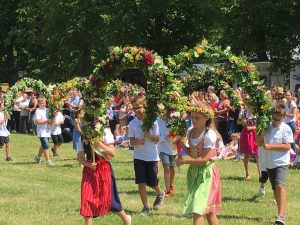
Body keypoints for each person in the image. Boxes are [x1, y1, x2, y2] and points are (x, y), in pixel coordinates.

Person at [176, 102, 221, 225]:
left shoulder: (209, 135)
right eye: (192, 117)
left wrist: (185, 161)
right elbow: (192, 152)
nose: (194, 120)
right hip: (195, 172)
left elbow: (204, 159)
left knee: (197, 209)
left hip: (207, 174)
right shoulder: (190, 131)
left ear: (206, 118)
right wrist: (180, 144)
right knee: (208, 211)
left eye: (197, 118)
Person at [77, 127, 131, 225]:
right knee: (86, 200)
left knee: (111, 201)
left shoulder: (105, 132)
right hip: (89, 172)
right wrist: (88, 164)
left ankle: (126, 220)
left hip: (104, 170)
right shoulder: (82, 136)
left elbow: (112, 153)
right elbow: (80, 157)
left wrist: (98, 144)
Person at [128, 95, 165, 214]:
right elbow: (131, 141)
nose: (136, 111)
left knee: (152, 182)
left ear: (144, 106)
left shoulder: (153, 121)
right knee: (141, 182)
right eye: (133, 109)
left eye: (138, 108)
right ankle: (145, 207)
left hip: (152, 156)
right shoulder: (132, 123)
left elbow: (158, 138)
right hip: (138, 156)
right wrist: (138, 141)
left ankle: (160, 192)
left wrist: (148, 135)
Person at [263, 104, 293, 225]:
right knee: (275, 189)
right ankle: (280, 212)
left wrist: (270, 147)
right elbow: (259, 142)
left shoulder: (286, 128)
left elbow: (287, 146)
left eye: (278, 119)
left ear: (284, 117)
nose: (275, 121)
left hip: (282, 162)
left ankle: (281, 215)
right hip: (270, 162)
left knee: (280, 186)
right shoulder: (267, 126)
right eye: (273, 118)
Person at [157, 116, 177, 197]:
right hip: (162, 147)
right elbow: (155, 132)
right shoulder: (157, 121)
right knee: (166, 166)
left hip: (172, 147)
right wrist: (162, 138)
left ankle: (171, 185)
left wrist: (174, 137)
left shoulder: (174, 118)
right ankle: (168, 189)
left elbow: (179, 131)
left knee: (172, 167)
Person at [239, 105, 259, 180]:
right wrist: (242, 122)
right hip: (245, 134)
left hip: (254, 134)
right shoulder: (244, 112)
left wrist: (252, 127)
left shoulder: (257, 113)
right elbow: (238, 121)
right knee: (246, 154)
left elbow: (261, 125)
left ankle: (260, 174)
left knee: (257, 154)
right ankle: (247, 174)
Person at [34, 97, 54, 166]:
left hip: (47, 130)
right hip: (41, 131)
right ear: (39, 104)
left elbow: (51, 119)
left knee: (43, 145)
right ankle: (48, 160)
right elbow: (38, 121)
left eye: (44, 103)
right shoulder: (38, 111)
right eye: (42, 103)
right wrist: (47, 121)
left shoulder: (47, 110)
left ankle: (38, 157)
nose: (43, 104)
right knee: (46, 145)